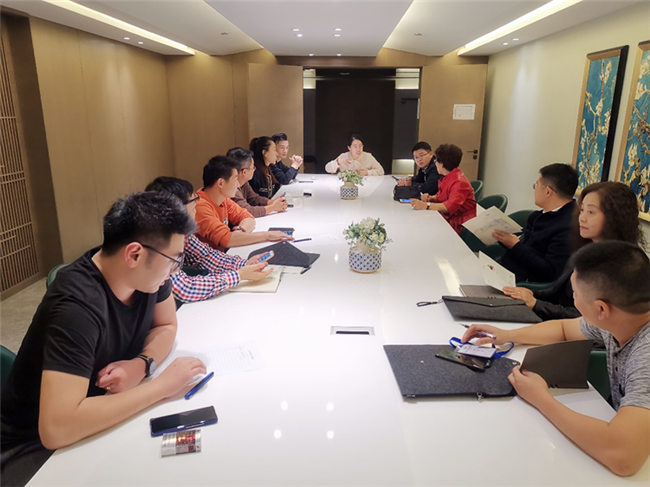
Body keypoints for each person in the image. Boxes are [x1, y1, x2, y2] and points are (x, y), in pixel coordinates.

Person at [1, 192, 207, 486]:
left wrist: (141, 364)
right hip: (32, 449)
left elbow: (167, 324)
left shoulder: (149, 277)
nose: (176, 268)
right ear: (134, 255)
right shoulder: (76, 306)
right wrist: (162, 387)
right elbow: (56, 429)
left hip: (98, 413)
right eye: (174, 259)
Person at [462, 241, 650, 477]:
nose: (574, 300)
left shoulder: (645, 355)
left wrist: (540, 398)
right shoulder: (621, 318)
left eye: (576, 294)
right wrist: (507, 335)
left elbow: (624, 456)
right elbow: (563, 329)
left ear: (601, 309)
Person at [503, 182, 645, 321]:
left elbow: (587, 321)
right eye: (582, 210)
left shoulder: (624, 265)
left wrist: (536, 304)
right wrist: (531, 294)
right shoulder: (587, 247)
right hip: (557, 321)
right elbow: (557, 291)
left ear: (614, 217)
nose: (582, 218)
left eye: (590, 212)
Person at [145, 177, 273, 304]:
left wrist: (244, 265)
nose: (197, 202)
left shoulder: (182, 232)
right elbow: (185, 288)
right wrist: (239, 275)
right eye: (235, 178)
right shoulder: (157, 243)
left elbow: (205, 256)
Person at [495, 163, 578, 283]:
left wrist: (515, 246)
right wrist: (505, 239)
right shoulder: (538, 216)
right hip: (504, 268)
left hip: (520, 283)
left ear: (548, 192)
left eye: (536, 186)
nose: (535, 190)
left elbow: (549, 272)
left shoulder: (568, 226)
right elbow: (526, 245)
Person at [195, 155, 292, 251]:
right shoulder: (199, 206)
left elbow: (248, 217)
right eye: (235, 180)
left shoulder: (224, 200)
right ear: (221, 183)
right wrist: (267, 235)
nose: (238, 185)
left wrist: (240, 231)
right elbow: (226, 240)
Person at [409, 143, 476, 234]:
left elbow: (449, 207)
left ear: (442, 164)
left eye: (436, 160)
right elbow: (442, 195)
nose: (435, 162)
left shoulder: (459, 182)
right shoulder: (448, 176)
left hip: (462, 225)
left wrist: (425, 205)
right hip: (449, 218)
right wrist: (431, 198)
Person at [226, 147, 288, 217]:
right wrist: (273, 207)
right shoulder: (232, 188)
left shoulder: (244, 182)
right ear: (244, 172)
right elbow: (248, 211)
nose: (254, 170)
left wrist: (273, 202)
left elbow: (254, 198)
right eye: (253, 167)